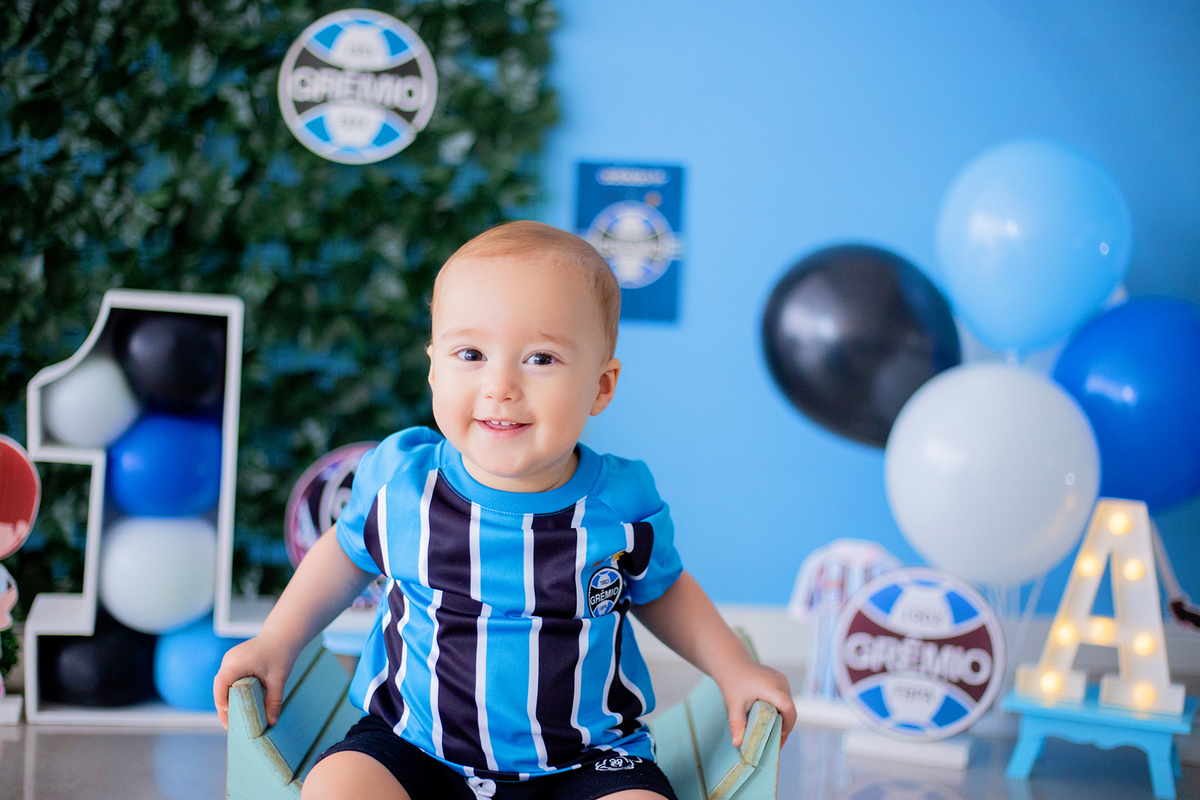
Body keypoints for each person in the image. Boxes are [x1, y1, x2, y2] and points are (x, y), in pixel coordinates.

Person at [214, 221, 796, 800]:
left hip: (587, 759)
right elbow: (343, 557)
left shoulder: (619, 505)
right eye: (470, 353)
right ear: (435, 369)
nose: (500, 385)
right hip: (414, 746)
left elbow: (664, 589)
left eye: (540, 358)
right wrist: (276, 641)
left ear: (601, 385)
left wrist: (734, 669)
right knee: (337, 787)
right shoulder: (403, 484)